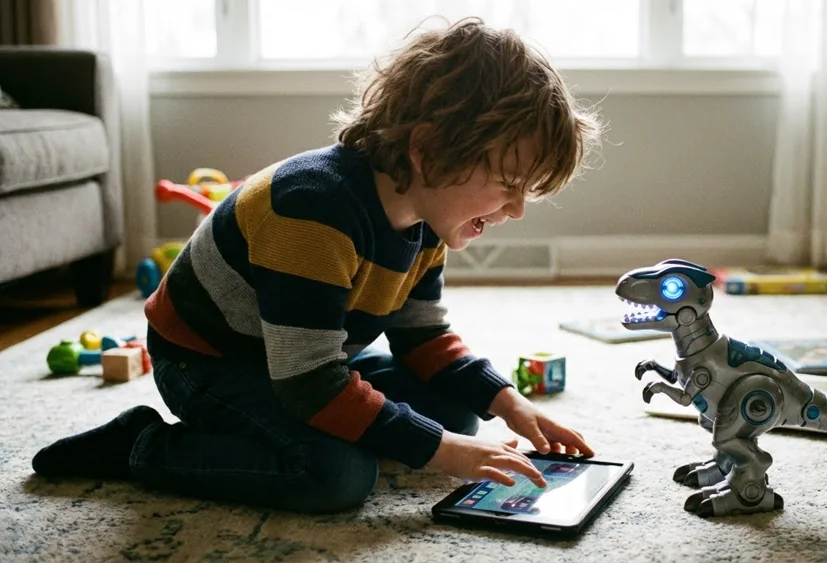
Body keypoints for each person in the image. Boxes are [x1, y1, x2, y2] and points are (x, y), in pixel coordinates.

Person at [31, 17, 603, 514]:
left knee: (458, 413)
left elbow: (423, 338)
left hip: (306, 356)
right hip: (209, 362)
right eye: (508, 184)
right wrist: (441, 451)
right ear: (428, 151)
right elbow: (308, 385)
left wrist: (510, 404)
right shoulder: (312, 208)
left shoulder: (428, 216)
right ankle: (141, 445)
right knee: (337, 475)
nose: (517, 210)